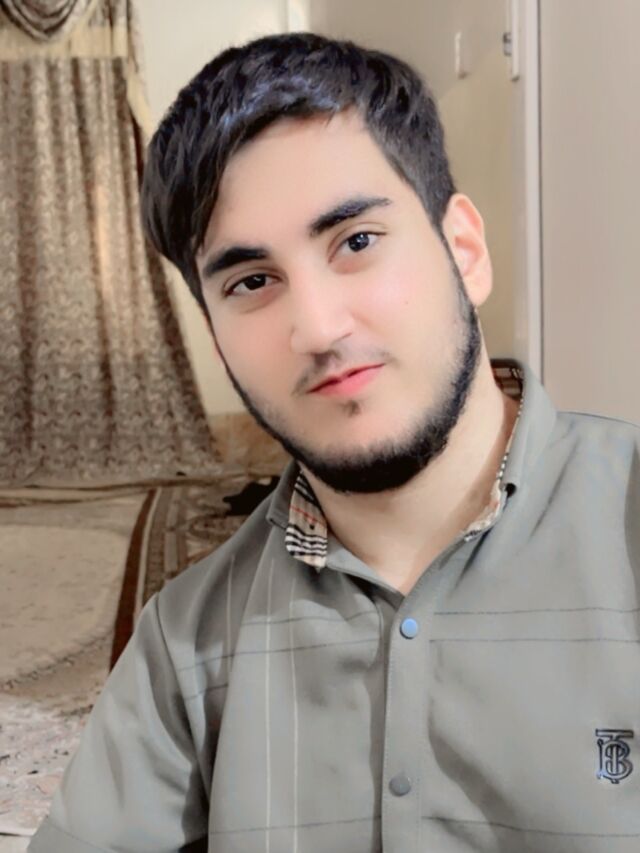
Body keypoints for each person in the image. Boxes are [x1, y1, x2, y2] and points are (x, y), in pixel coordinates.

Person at [29, 31, 640, 853]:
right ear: (216, 338)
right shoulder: (186, 643)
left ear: (464, 251)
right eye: (252, 282)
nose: (317, 328)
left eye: (355, 241)